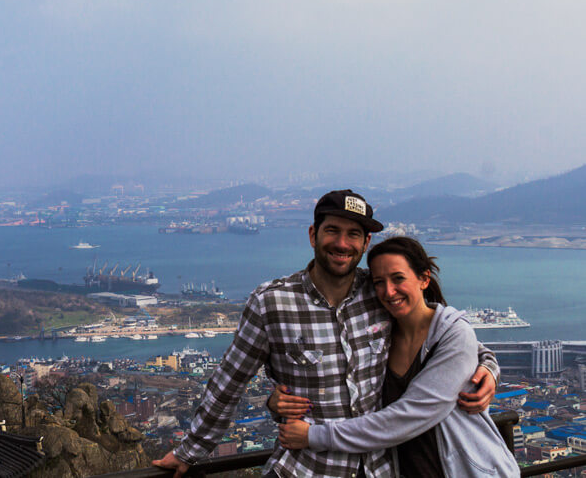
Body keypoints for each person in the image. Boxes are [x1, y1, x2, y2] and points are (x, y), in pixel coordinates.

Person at [152, 189, 498, 478]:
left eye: (354, 235)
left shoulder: (379, 292)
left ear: (366, 243)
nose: (342, 243)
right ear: (313, 234)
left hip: (379, 468)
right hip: (308, 469)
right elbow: (229, 382)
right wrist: (191, 451)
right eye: (332, 230)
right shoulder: (272, 303)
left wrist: (486, 366)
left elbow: (441, 329)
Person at [276, 236, 518, 477]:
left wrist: (314, 435)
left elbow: (407, 417)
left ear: (424, 279)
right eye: (379, 282)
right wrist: (277, 399)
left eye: (398, 278)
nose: (389, 291)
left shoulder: (453, 332)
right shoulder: (381, 335)